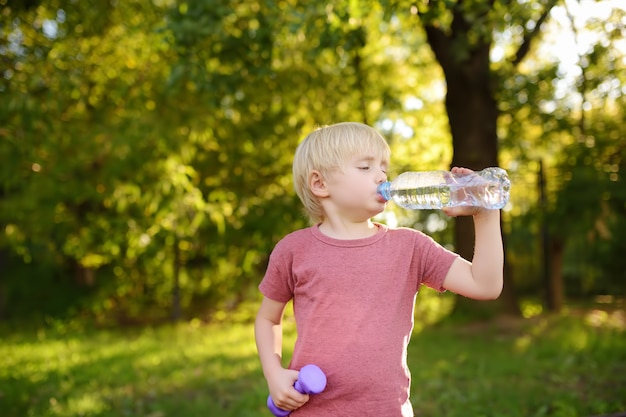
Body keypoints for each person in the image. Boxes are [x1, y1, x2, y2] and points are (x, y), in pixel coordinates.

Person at [255, 122, 504, 416]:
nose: (382, 176)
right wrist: (274, 373)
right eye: (365, 167)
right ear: (320, 184)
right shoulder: (294, 250)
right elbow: (268, 318)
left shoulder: (410, 247)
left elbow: (485, 285)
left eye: (383, 168)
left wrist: (485, 213)